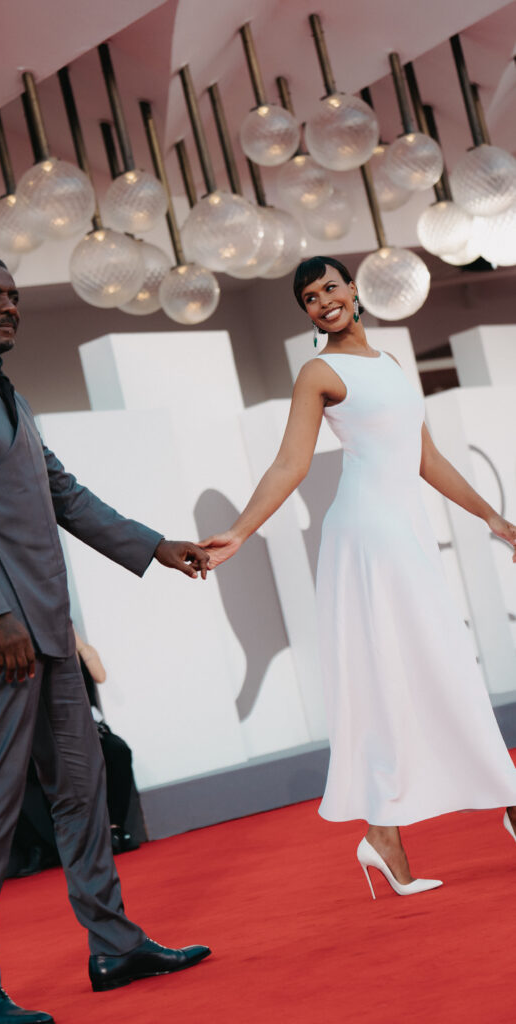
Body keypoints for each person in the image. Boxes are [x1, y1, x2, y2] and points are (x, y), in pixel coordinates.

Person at [0, 253, 211, 1024]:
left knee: (81, 787)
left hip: (48, 627)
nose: (8, 307)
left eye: (14, 296)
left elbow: (62, 492)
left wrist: (152, 544)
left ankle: (115, 946)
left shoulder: (7, 394)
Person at [200, 255, 516, 899]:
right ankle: (447, 818)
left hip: (405, 536)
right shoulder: (319, 372)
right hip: (368, 539)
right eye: (310, 298)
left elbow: (426, 459)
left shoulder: (390, 365)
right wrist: (240, 532)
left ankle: (391, 833)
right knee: (392, 677)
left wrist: (494, 518)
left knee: (439, 665)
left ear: (353, 291)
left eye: (330, 288)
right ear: (308, 313)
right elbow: (290, 464)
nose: (323, 302)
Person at [74, 629, 140, 854]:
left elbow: (100, 676)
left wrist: (77, 643)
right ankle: (91, 837)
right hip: (68, 731)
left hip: (96, 728)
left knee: (119, 751)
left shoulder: (82, 651)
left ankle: (115, 828)